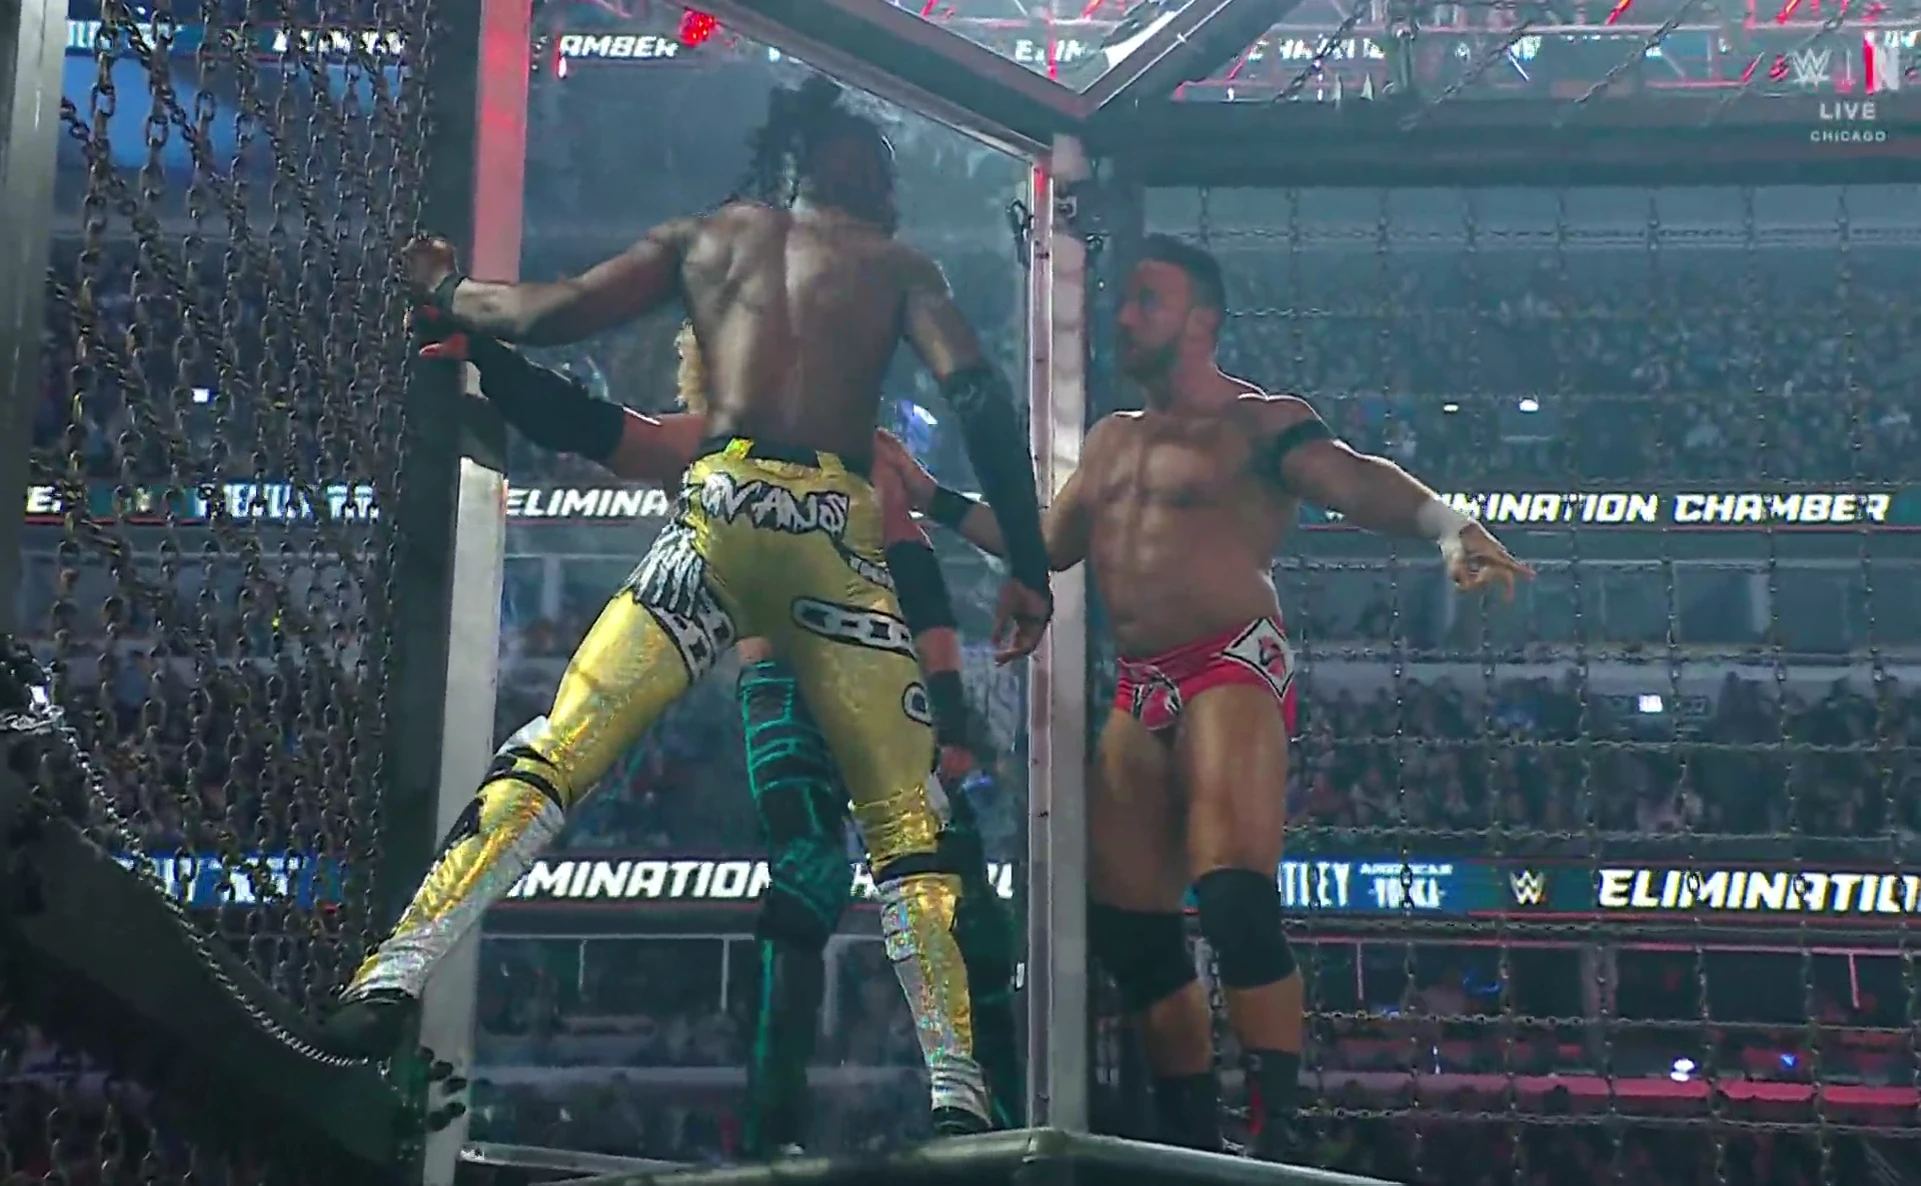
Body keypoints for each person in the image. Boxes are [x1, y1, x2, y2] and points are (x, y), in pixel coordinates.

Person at [326, 77, 1052, 1137]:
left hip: (724, 513)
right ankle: (955, 1091)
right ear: (851, 171)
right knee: (903, 825)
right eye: (880, 165)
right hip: (827, 542)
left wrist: (450, 294)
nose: (886, 183)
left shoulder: (711, 242)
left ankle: (392, 974)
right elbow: (977, 399)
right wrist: (1028, 563)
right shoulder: (893, 269)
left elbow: (547, 317)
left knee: (562, 747)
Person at [890, 235, 1531, 1158]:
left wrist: (1446, 523)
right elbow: (1048, 545)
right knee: (1132, 933)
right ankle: (1192, 1142)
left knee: (1232, 898)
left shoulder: (1258, 425)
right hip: (1139, 684)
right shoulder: (1111, 440)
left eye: (1145, 301)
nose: (1122, 317)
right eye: (1122, 300)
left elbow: (1350, 479)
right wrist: (933, 498)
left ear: (1201, 321)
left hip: (1230, 662)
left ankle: (1278, 1136)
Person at [415, 318, 1024, 1150]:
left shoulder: (861, 449)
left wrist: (950, 706)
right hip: (788, 688)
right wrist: (489, 356)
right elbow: (589, 425)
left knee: (961, 893)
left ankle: (991, 1117)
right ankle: (773, 1132)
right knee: (808, 873)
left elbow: (917, 567)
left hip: (879, 682)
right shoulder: (712, 440)